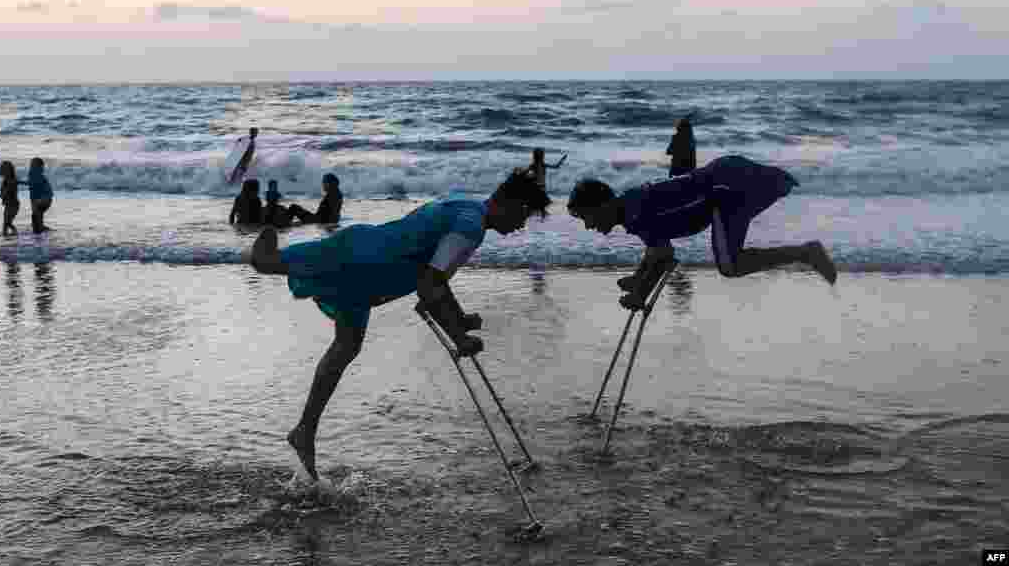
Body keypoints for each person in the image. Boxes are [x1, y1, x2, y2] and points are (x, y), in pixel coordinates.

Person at [247, 168, 551, 481]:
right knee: (266, 263)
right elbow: (430, 284)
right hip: (359, 257)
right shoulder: (471, 227)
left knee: (347, 345)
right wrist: (459, 337)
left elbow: (433, 274)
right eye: (524, 217)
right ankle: (266, 234)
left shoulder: (464, 206)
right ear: (512, 204)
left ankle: (304, 431)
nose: (520, 227)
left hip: (370, 266)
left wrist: (457, 318)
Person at [567, 155, 837, 310]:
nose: (589, 226)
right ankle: (805, 253)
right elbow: (656, 251)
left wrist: (640, 294)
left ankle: (806, 253)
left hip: (731, 187)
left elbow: (663, 254)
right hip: (729, 181)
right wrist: (640, 281)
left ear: (603, 204)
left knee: (731, 265)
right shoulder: (631, 209)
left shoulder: (636, 213)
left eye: (586, 217)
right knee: (730, 262)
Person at [0, 161, 26, 236]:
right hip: (8, 205)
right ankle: (10, 233)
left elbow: (6, 192)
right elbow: (20, 182)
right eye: (2, 169)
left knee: (7, 222)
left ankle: (13, 233)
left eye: (5, 170)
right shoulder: (7, 180)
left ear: (10, 171)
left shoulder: (12, 180)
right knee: (6, 223)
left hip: (13, 205)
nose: (3, 171)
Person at [27, 157, 53, 234]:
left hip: (43, 199)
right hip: (45, 199)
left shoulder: (37, 175)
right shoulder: (36, 174)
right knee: (37, 215)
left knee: (36, 215)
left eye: (33, 165)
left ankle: (39, 228)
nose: (31, 167)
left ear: (40, 167)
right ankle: (40, 228)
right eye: (31, 165)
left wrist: (18, 182)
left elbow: (34, 184)